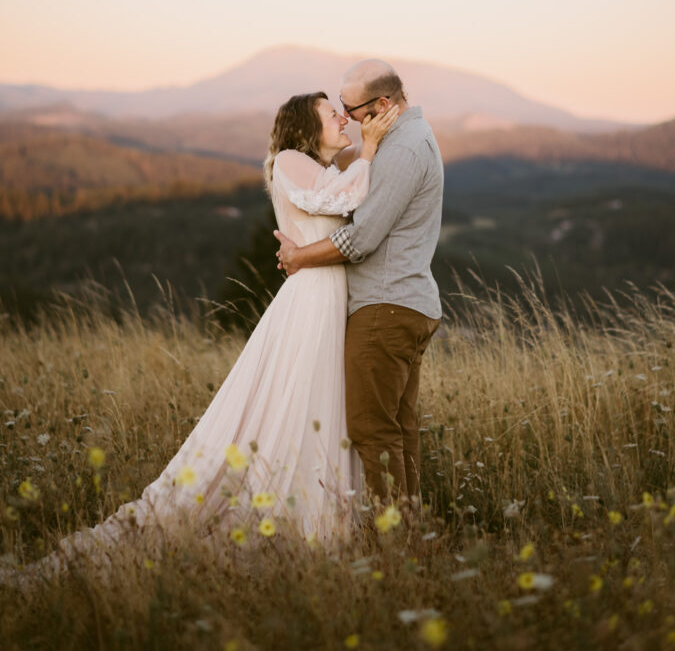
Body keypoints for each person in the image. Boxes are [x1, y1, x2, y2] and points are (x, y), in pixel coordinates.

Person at [5, 92, 398, 584]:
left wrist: (360, 156)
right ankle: (296, 519)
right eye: (331, 113)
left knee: (322, 407)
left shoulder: (323, 169)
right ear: (303, 127)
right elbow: (344, 199)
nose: (344, 118)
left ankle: (324, 519)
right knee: (299, 403)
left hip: (330, 301)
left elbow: (346, 201)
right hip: (310, 305)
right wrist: (369, 148)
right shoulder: (291, 161)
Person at [275, 60, 443, 504]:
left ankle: (394, 544)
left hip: (386, 308)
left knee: (373, 431)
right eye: (338, 110)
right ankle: (408, 539)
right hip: (400, 303)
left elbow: (362, 237)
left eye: (350, 108)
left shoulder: (402, 149)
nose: (346, 117)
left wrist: (298, 256)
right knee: (398, 429)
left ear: (383, 104)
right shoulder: (398, 140)